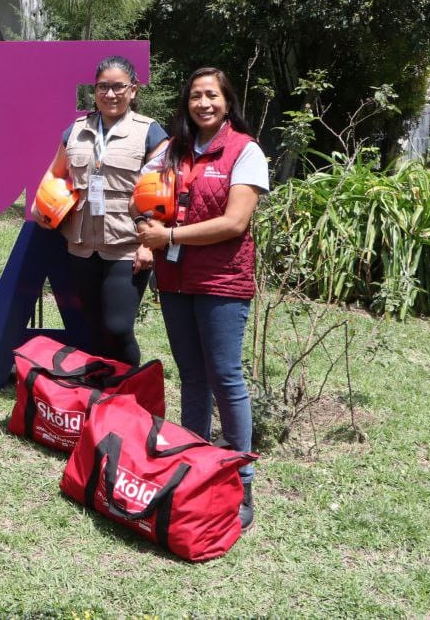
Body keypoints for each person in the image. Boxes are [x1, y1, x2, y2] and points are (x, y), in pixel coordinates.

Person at [135, 66, 268, 531]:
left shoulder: (245, 151)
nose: (204, 104)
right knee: (191, 378)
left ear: (227, 101)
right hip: (174, 280)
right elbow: (145, 201)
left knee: (226, 378)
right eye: (195, 96)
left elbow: (234, 222)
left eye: (212, 95)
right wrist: (145, 232)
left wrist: (167, 233)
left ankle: (240, 478)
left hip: (222, 281)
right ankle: (192, 467)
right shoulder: (171, 150)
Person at [30, 55, 168, 365]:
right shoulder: (77, 130)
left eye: (118, 86)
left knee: (117, 328)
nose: (110, 94)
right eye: (103, 87)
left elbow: (165, 191)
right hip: (81, 246)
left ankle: (132, 390)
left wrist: (149, 245)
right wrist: (42, 203)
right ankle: (103, 396)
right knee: (93, 327)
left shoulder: (150, 132)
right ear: (94, 91)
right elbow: (55, 172)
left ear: (133, 90)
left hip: (127, 245)